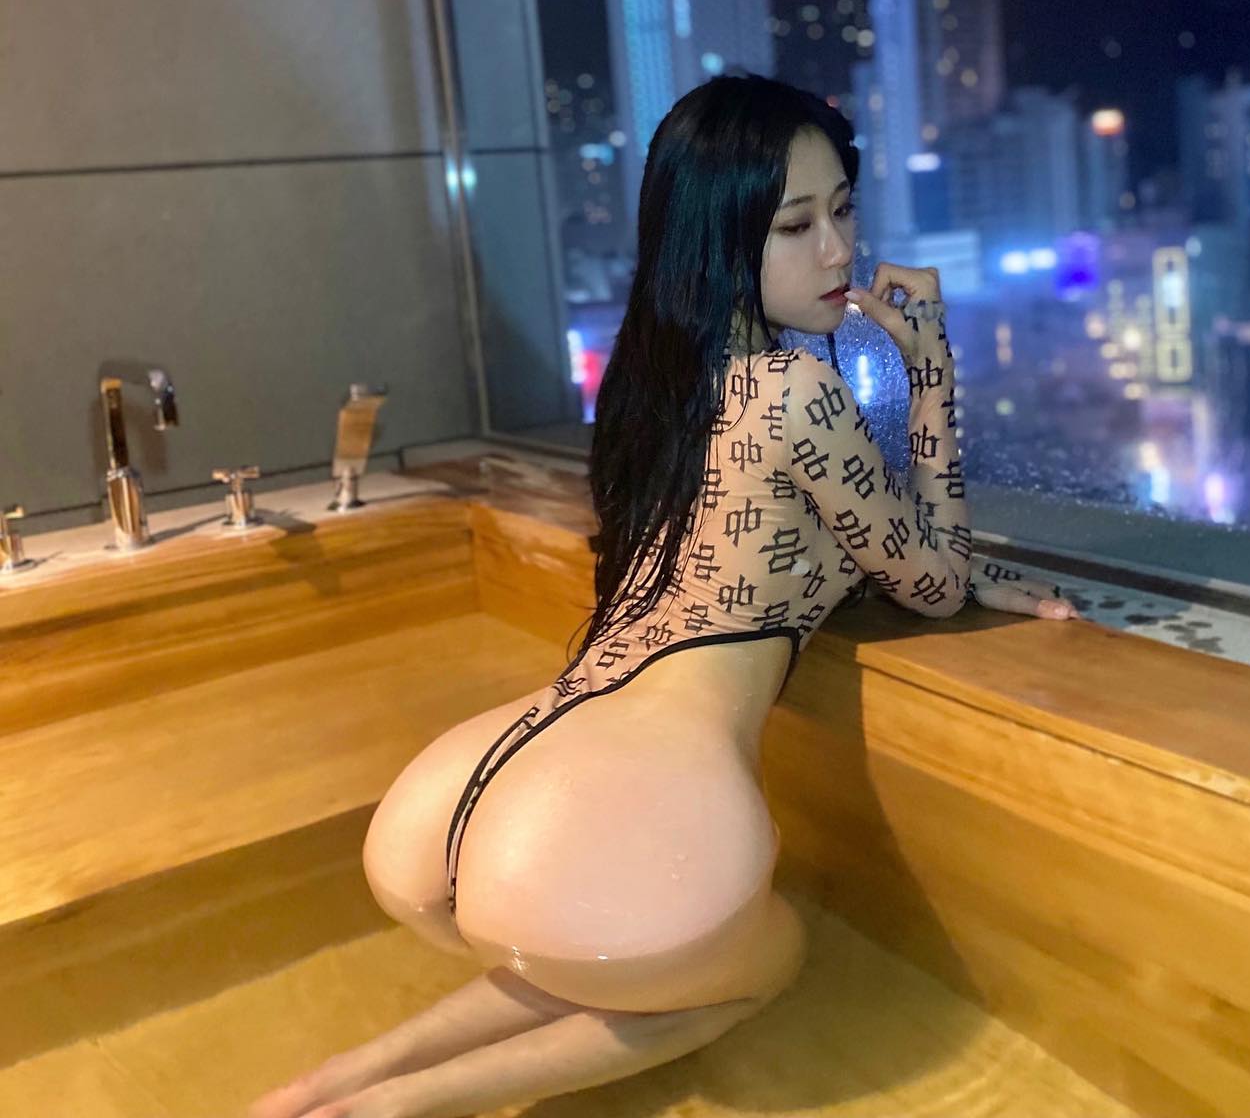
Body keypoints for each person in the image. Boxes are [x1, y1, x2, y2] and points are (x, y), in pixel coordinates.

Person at [249, 72, 1075, 1118]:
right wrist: (930, 377)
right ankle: (397, 1108)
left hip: (464, 793)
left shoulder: (655, 390)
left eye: (843, 210)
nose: (838, 252)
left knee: (593, 948)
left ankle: (332, 1084)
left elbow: (765, 553)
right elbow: (935, 583)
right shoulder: (794, 388)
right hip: (625, 792)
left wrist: (916, 558)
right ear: (719, 238)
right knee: (763, 962)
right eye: (796, 225)